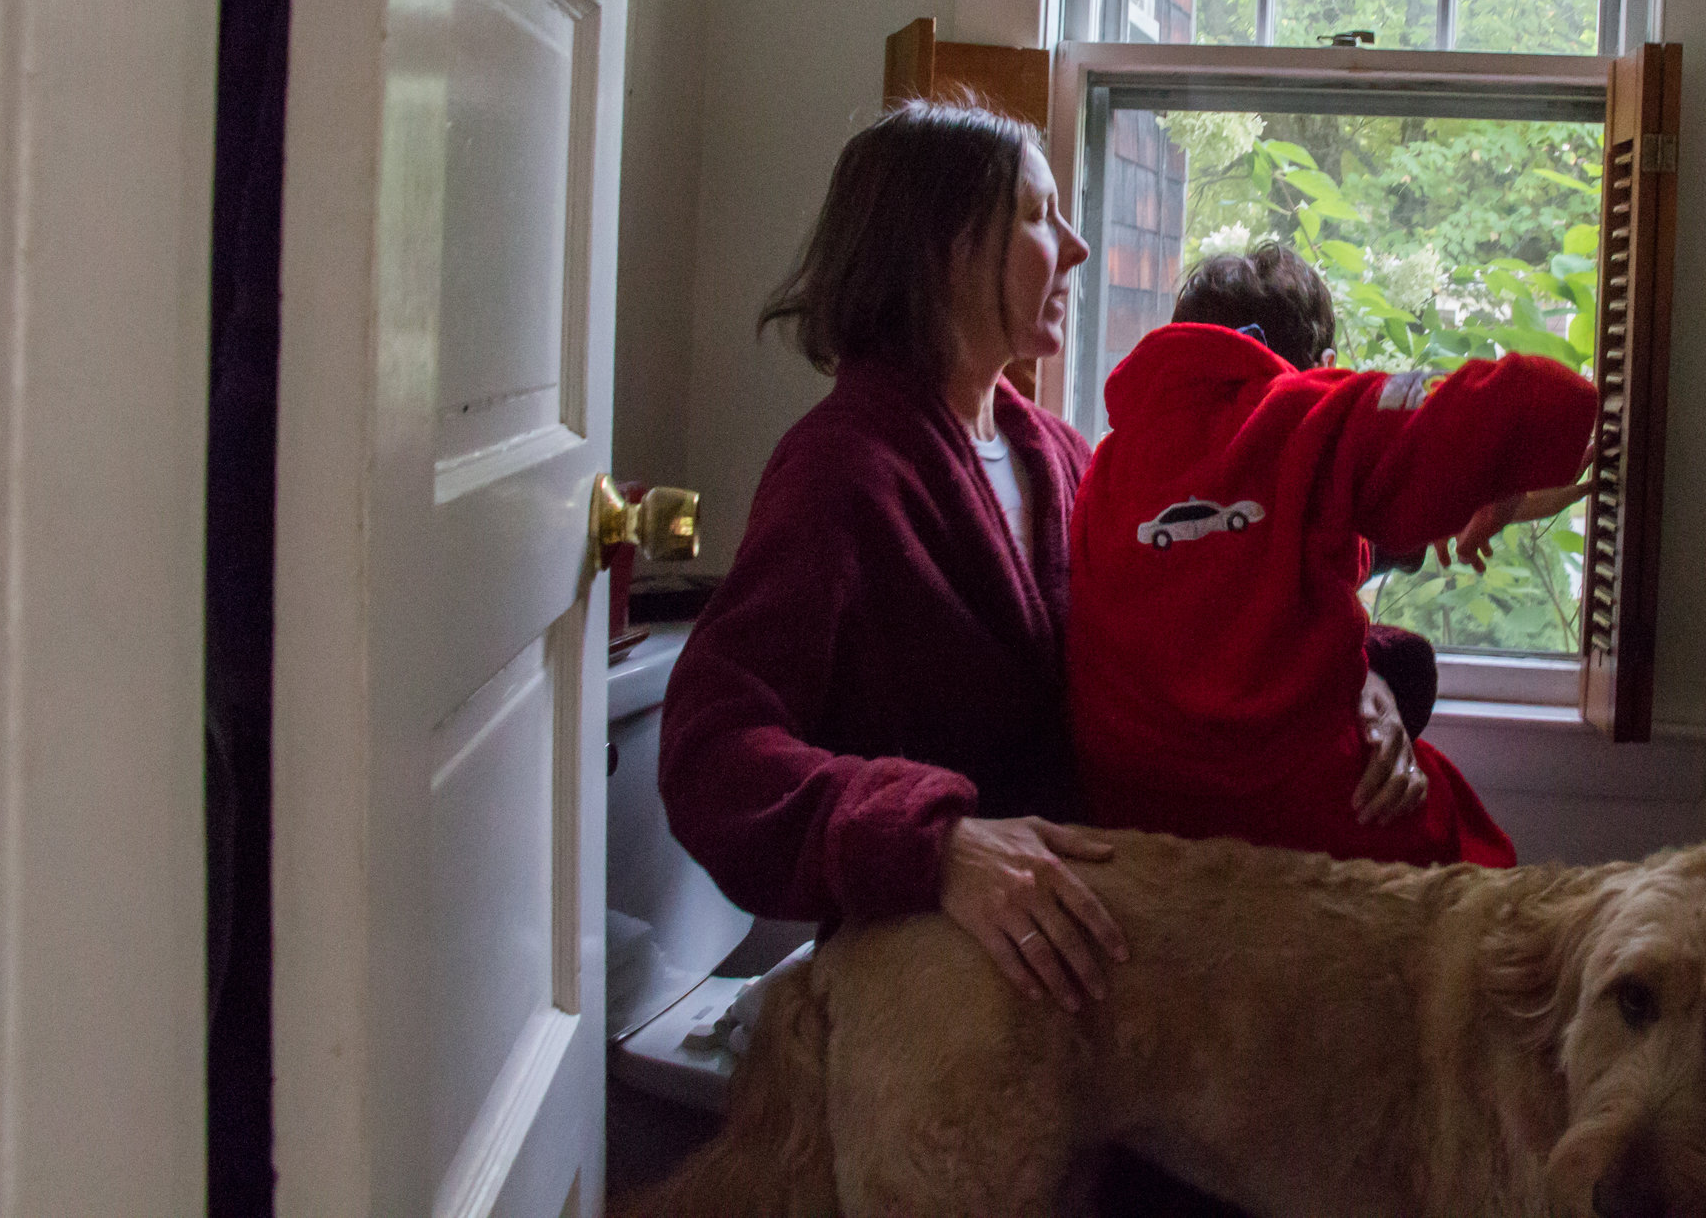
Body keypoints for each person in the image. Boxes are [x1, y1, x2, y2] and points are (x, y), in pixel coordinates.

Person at [654, 102, 1411, 1216]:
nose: (1078, 247)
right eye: (1038, 215)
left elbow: (1196, 618)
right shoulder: (837, 474)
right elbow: (713, 751)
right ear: (939, 245)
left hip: (1118, 988)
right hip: (950, 1011)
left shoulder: (1058, 454)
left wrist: (1369, 677)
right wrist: (936, 842)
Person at [1067, 243, 1599, 870]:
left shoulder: (1103, 467)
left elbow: (1253, 551)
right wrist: (1498, 493)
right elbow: (1544, 401)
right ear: (1322, 365)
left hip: (1134, 824)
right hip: (1294, 812)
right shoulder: (1307, 413)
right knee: (1474, 854)